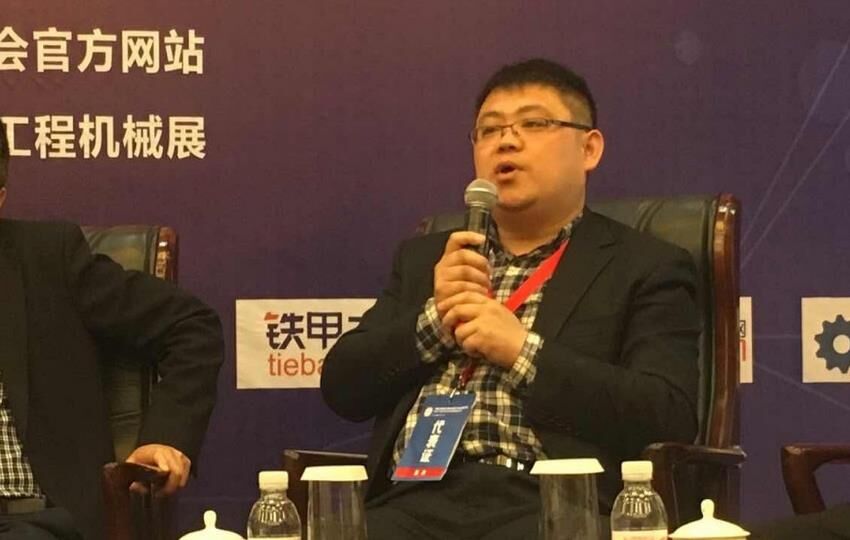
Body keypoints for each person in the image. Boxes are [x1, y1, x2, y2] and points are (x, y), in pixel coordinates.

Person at [321, 58, 700, 539]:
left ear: (589, 149)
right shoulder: (427, 260)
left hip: (550, 504)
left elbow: (666, 414)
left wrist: (522, 352)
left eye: (534, 124)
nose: (506, 141)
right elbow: (343, 388)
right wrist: (434, 322)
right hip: (412, 502)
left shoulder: (644, 265)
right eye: (489, 130)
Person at [0, 119, 224, 540]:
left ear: (0, 198)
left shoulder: (49, 260)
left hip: (31, 521)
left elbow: (191, 325)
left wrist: (166, 438)